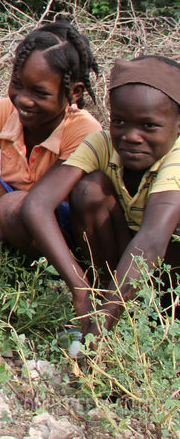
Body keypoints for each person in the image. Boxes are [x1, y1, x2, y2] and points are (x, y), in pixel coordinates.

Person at [21, 56, 180, 337]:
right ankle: (105, 292)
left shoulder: (177, 158)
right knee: (89, 189)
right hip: (125, 264)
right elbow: (37, 204)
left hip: (168, 273)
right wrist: (79, 288)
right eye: (119, 121)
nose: (131, 136)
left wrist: (103, 322)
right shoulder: (102, 144)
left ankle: (156, 317)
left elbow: (152, 241)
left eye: (149, 126)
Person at [0, 21, 102, 283]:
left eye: (40, 92)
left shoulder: (84, 132)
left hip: (57, 228)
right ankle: (5, 255)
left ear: (74, 92)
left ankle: (52, 272)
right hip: (13, 215)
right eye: (18, 84)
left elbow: (36, 205)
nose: (23, 99)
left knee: (14, 205)